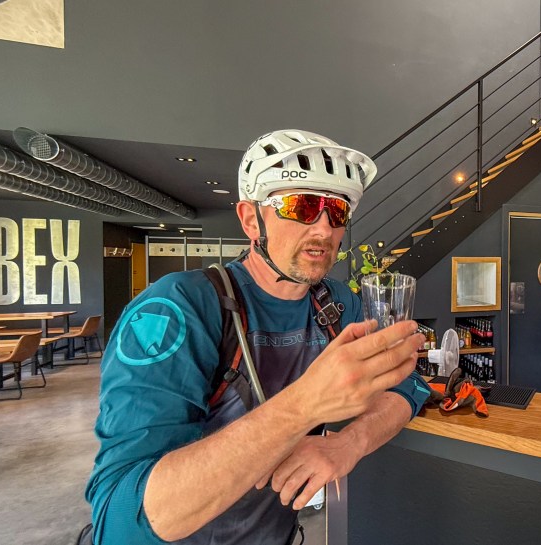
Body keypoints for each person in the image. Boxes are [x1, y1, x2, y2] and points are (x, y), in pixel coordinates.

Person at [86, 130, 431, 544]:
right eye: (302, 207)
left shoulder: (336, 305)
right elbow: (122, 521)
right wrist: (304, 404)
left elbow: (410, 386)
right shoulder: (181, 308)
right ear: (251, 220)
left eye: (337, 213)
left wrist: (349, 444)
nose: (323, 228)